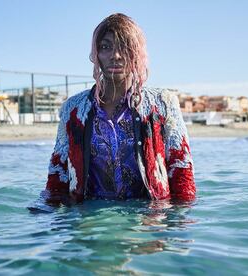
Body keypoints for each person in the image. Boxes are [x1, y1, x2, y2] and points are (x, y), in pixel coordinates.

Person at [42, 13, 195, 205]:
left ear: (137, 53)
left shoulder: (163, 103)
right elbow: (58, 170)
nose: (115, 56)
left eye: (124, 47)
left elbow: (181, 168)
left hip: (148, 218)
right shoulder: (73, 110)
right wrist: (49, 220)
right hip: (91, 218)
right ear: (96, 54)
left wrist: (177, 222)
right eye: (106, 47)